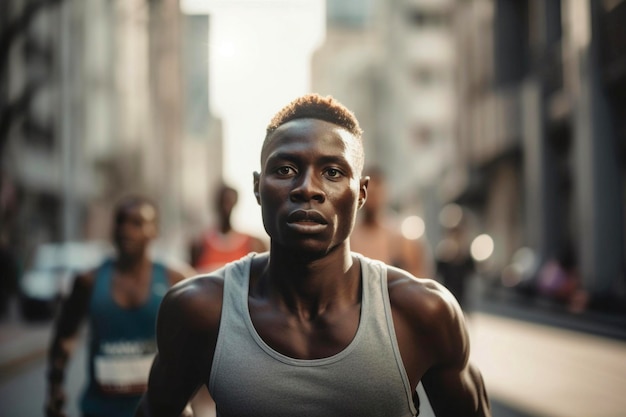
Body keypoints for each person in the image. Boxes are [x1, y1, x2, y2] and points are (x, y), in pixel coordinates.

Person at [136, 94, 491, 417]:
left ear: (361, 193)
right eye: (286, 170)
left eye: (333, 172)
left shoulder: (421, 312)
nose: (307, 188)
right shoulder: (199, 309)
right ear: (258, 188)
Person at [45, 195, 193, 417]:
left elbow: (200, 345)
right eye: (121, 221)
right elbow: (64, 338)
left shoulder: (176, 281)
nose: (126, 230)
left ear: (154, 230)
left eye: (136, 223)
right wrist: (55, 391)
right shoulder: (88, 281)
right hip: (100, 411)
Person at [350, 166, 432, 278]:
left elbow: (419, 278)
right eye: (369, 193)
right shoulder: (349, 236)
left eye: (376, 193)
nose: (372, 199)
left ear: (385, 193)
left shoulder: (401, 237)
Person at [189, 182, 268, 274]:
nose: (226, 208)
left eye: (230, 202)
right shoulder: (199, 244)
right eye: (223, 202)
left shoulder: (254, 244)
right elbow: (190, 277)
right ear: (216, 204)